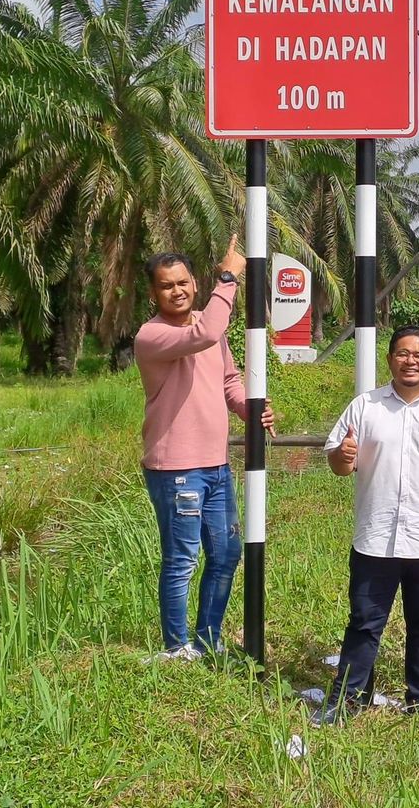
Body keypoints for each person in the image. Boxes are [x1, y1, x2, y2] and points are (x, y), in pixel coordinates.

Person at [314, 326, 419, 725]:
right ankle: (347, 701)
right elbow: (339, 466)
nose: (410, 361)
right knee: (364, 623)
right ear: (390, 359)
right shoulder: (365, 407)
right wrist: (343, 454)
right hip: (375, 541)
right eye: (402, 354)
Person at [134, 237, 275, 662]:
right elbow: (208, 331)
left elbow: (229, 379)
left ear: (194, 283)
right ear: (153, 293)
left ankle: (208, 638)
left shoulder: (205, 324)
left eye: (182, 282)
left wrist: (250, 409)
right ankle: (176, 648)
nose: (176, 290)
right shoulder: (152, 335)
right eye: (166, 285)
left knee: (227, 552)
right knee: (182, 559)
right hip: (177, 468)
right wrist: (230, 276)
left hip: (216, 467)